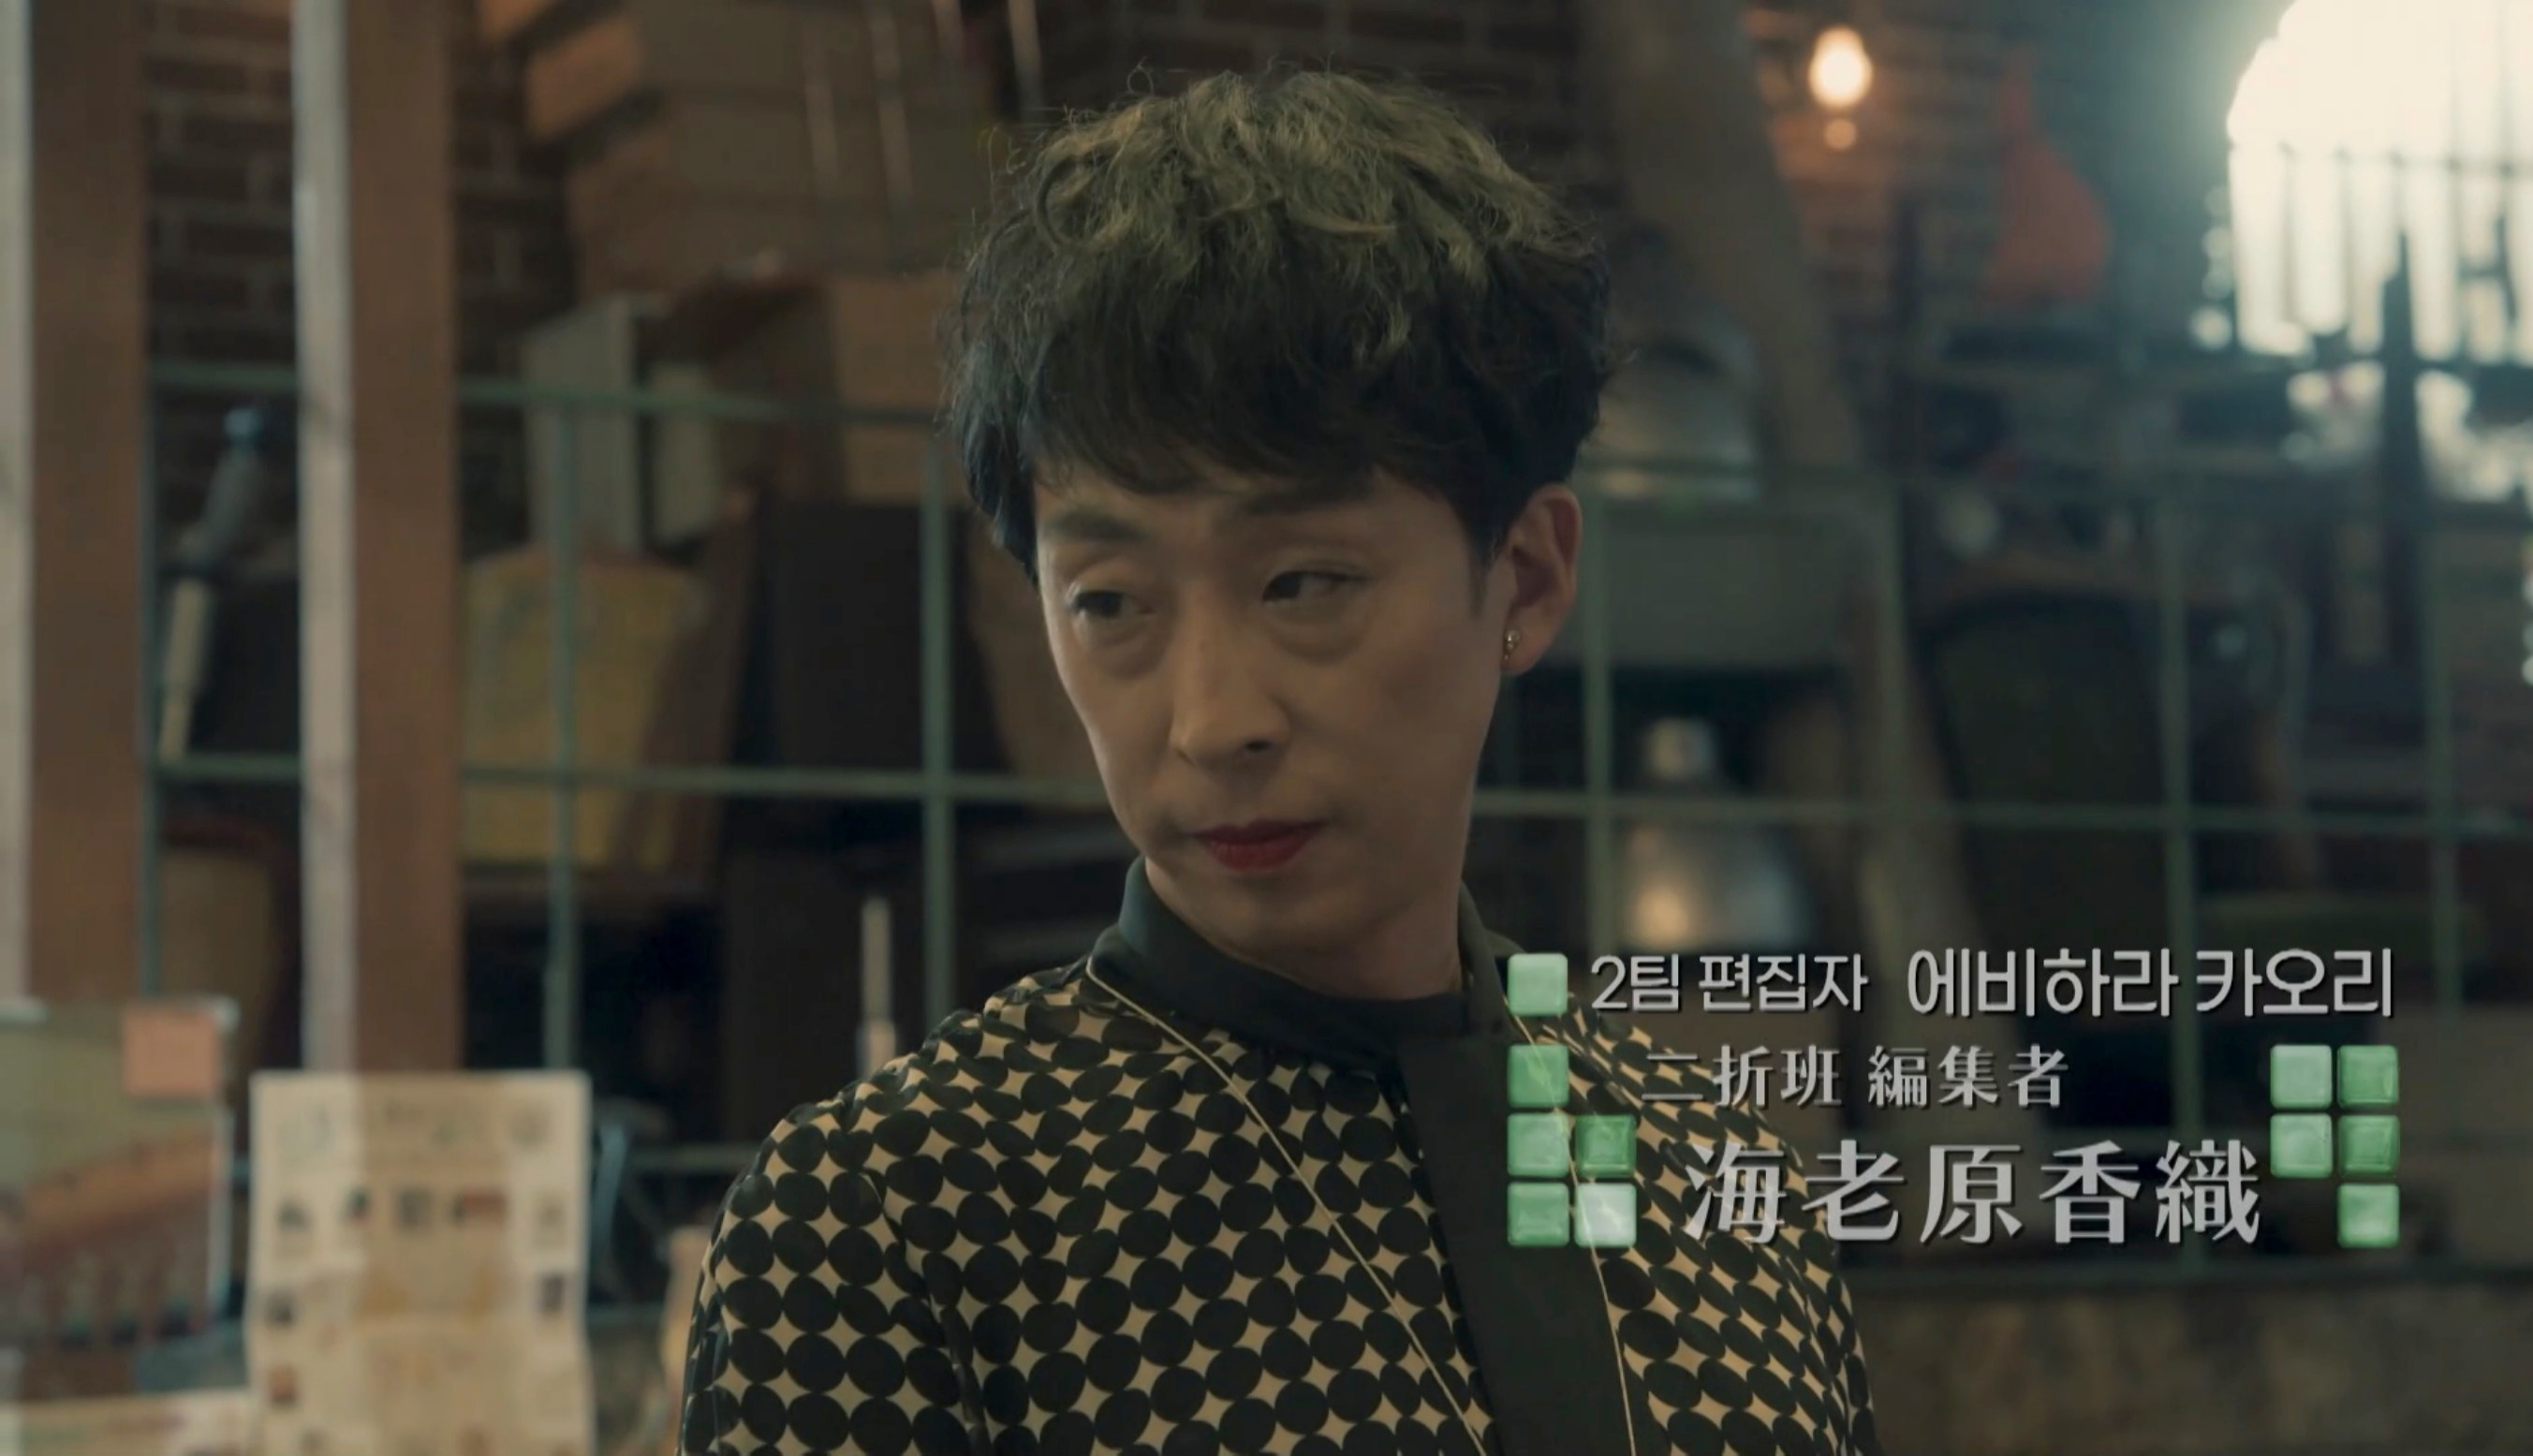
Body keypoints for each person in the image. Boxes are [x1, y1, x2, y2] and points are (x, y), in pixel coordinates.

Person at [678, 69, 1883, 1456]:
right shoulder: (890, 1225)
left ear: (1527, 575)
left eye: (1303, 583)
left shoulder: (1715, 1194)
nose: (1211, 721)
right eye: (1110, 602)